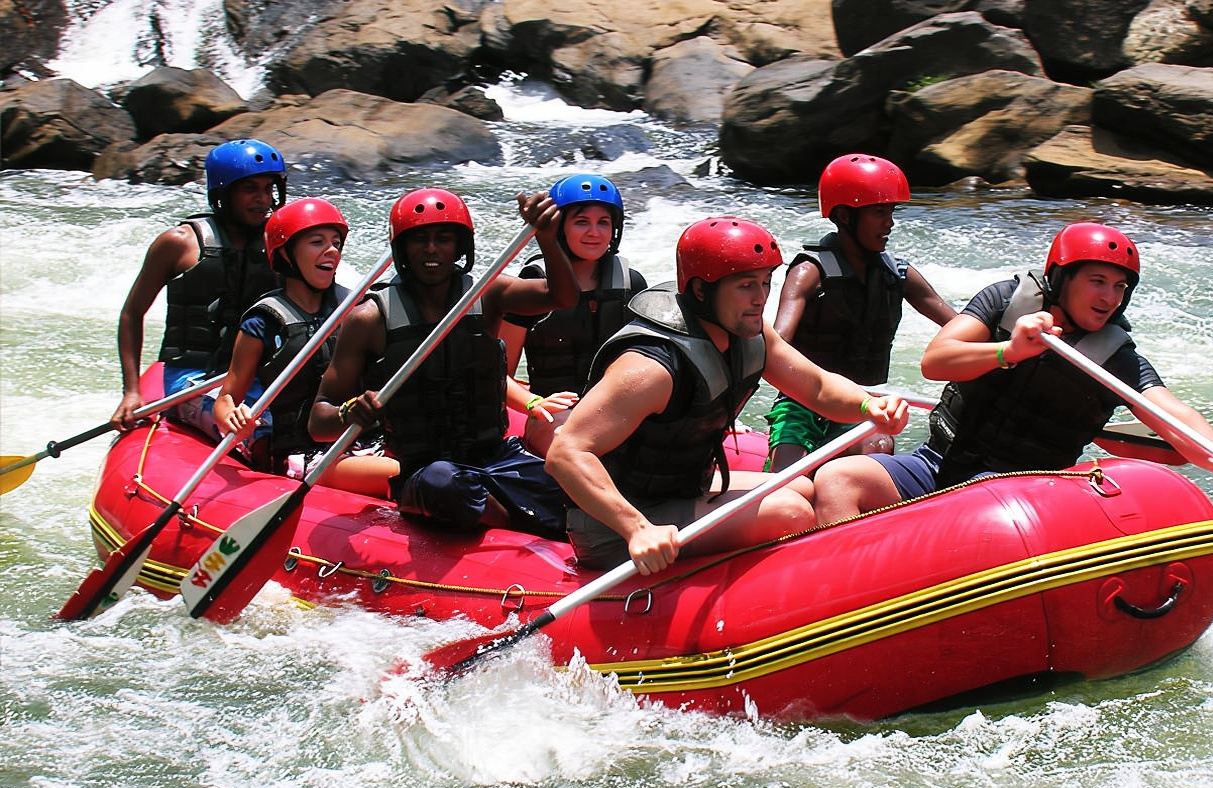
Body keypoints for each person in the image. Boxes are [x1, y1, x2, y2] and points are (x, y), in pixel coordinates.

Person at [812, 222, 1213, 525]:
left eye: (1120, 286)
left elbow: (1170, 415)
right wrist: (1010, 351)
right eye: (1097, 281)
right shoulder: (1005, 302)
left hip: (1026, 489)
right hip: (941, 463)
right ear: (1062, 278)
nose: (1111, 297)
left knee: (975, 499)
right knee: (839, 479)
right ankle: (842, 597)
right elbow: (936, 360)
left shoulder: (1115, 356)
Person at [545, 216, 909, 576]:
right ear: (702, 291)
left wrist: (867, 404)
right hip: (618, 523)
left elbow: (817, 387)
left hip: (684, 489)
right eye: (746, 286)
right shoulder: (651, 368)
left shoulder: (749, 335)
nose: (761, 299)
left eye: (765, 283)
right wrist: (636, 528)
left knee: (801, 485)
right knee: (789, 512)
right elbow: (566, 453)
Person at [307, 188, 578, 535]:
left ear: (461, 246)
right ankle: (516, 525)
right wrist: (350, 413)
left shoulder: (487, 294)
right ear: (401, 248)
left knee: (571, 482)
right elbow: (319, 421)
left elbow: (563, 297)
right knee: (444, 483)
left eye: (444, 239)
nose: (432, 249)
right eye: (419, 239)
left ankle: (517, 513)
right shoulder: (368, 320)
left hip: (495, 458)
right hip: (424, 471)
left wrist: (547, 238)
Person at [765, 153, 956, 471]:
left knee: (878, 447)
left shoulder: (898, 275)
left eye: (891, 211)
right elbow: (776, 343)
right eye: (879, 212)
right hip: (803, 400)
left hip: (869, 402)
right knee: (788, 471)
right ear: (844, 216)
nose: (890, 223)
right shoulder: (810, 272)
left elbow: (960, 325)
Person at [211, 197, 398, 496]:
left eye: (336, 242)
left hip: (368, 440)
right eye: (316, 242)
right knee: (403, 474)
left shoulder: (359, 307)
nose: (332, 251)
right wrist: (233, 419)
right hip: (307, 456)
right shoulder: (263, 322)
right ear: (285, 254)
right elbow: (226, 399)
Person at [111, 138, 286, 432]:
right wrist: (131, 392)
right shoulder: (178, 243)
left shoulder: (278, 243)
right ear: (223, 193)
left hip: (253, 375)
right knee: (255, 431)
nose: (263, 199)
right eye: (250, 189)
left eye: (269, 188)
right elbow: (132, 314)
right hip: (193, 377)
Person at [499, 173, 648, 455]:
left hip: (617, 410)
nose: (594, 232)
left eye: (603, 222)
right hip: (554, 412)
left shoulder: (631, 283)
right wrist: (533, 403)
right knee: (576, 440)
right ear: (560, 228)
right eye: (581, 222)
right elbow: (497, 371)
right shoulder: (533, 285)